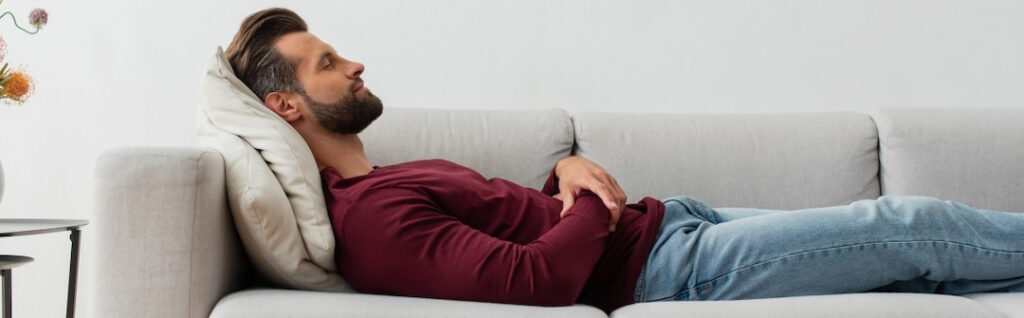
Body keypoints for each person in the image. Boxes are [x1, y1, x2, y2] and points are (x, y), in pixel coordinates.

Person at [223, 8, 1024, 313]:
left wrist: (564, 176)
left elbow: (509, 229)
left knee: (923, 262)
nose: (355, 63)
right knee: (911, 223)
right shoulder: (373, 219)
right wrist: (592, 204)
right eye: (327, 63)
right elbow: (536, 281)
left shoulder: (385, 181)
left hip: (674, 224)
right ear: (285, 108)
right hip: (670, 268)